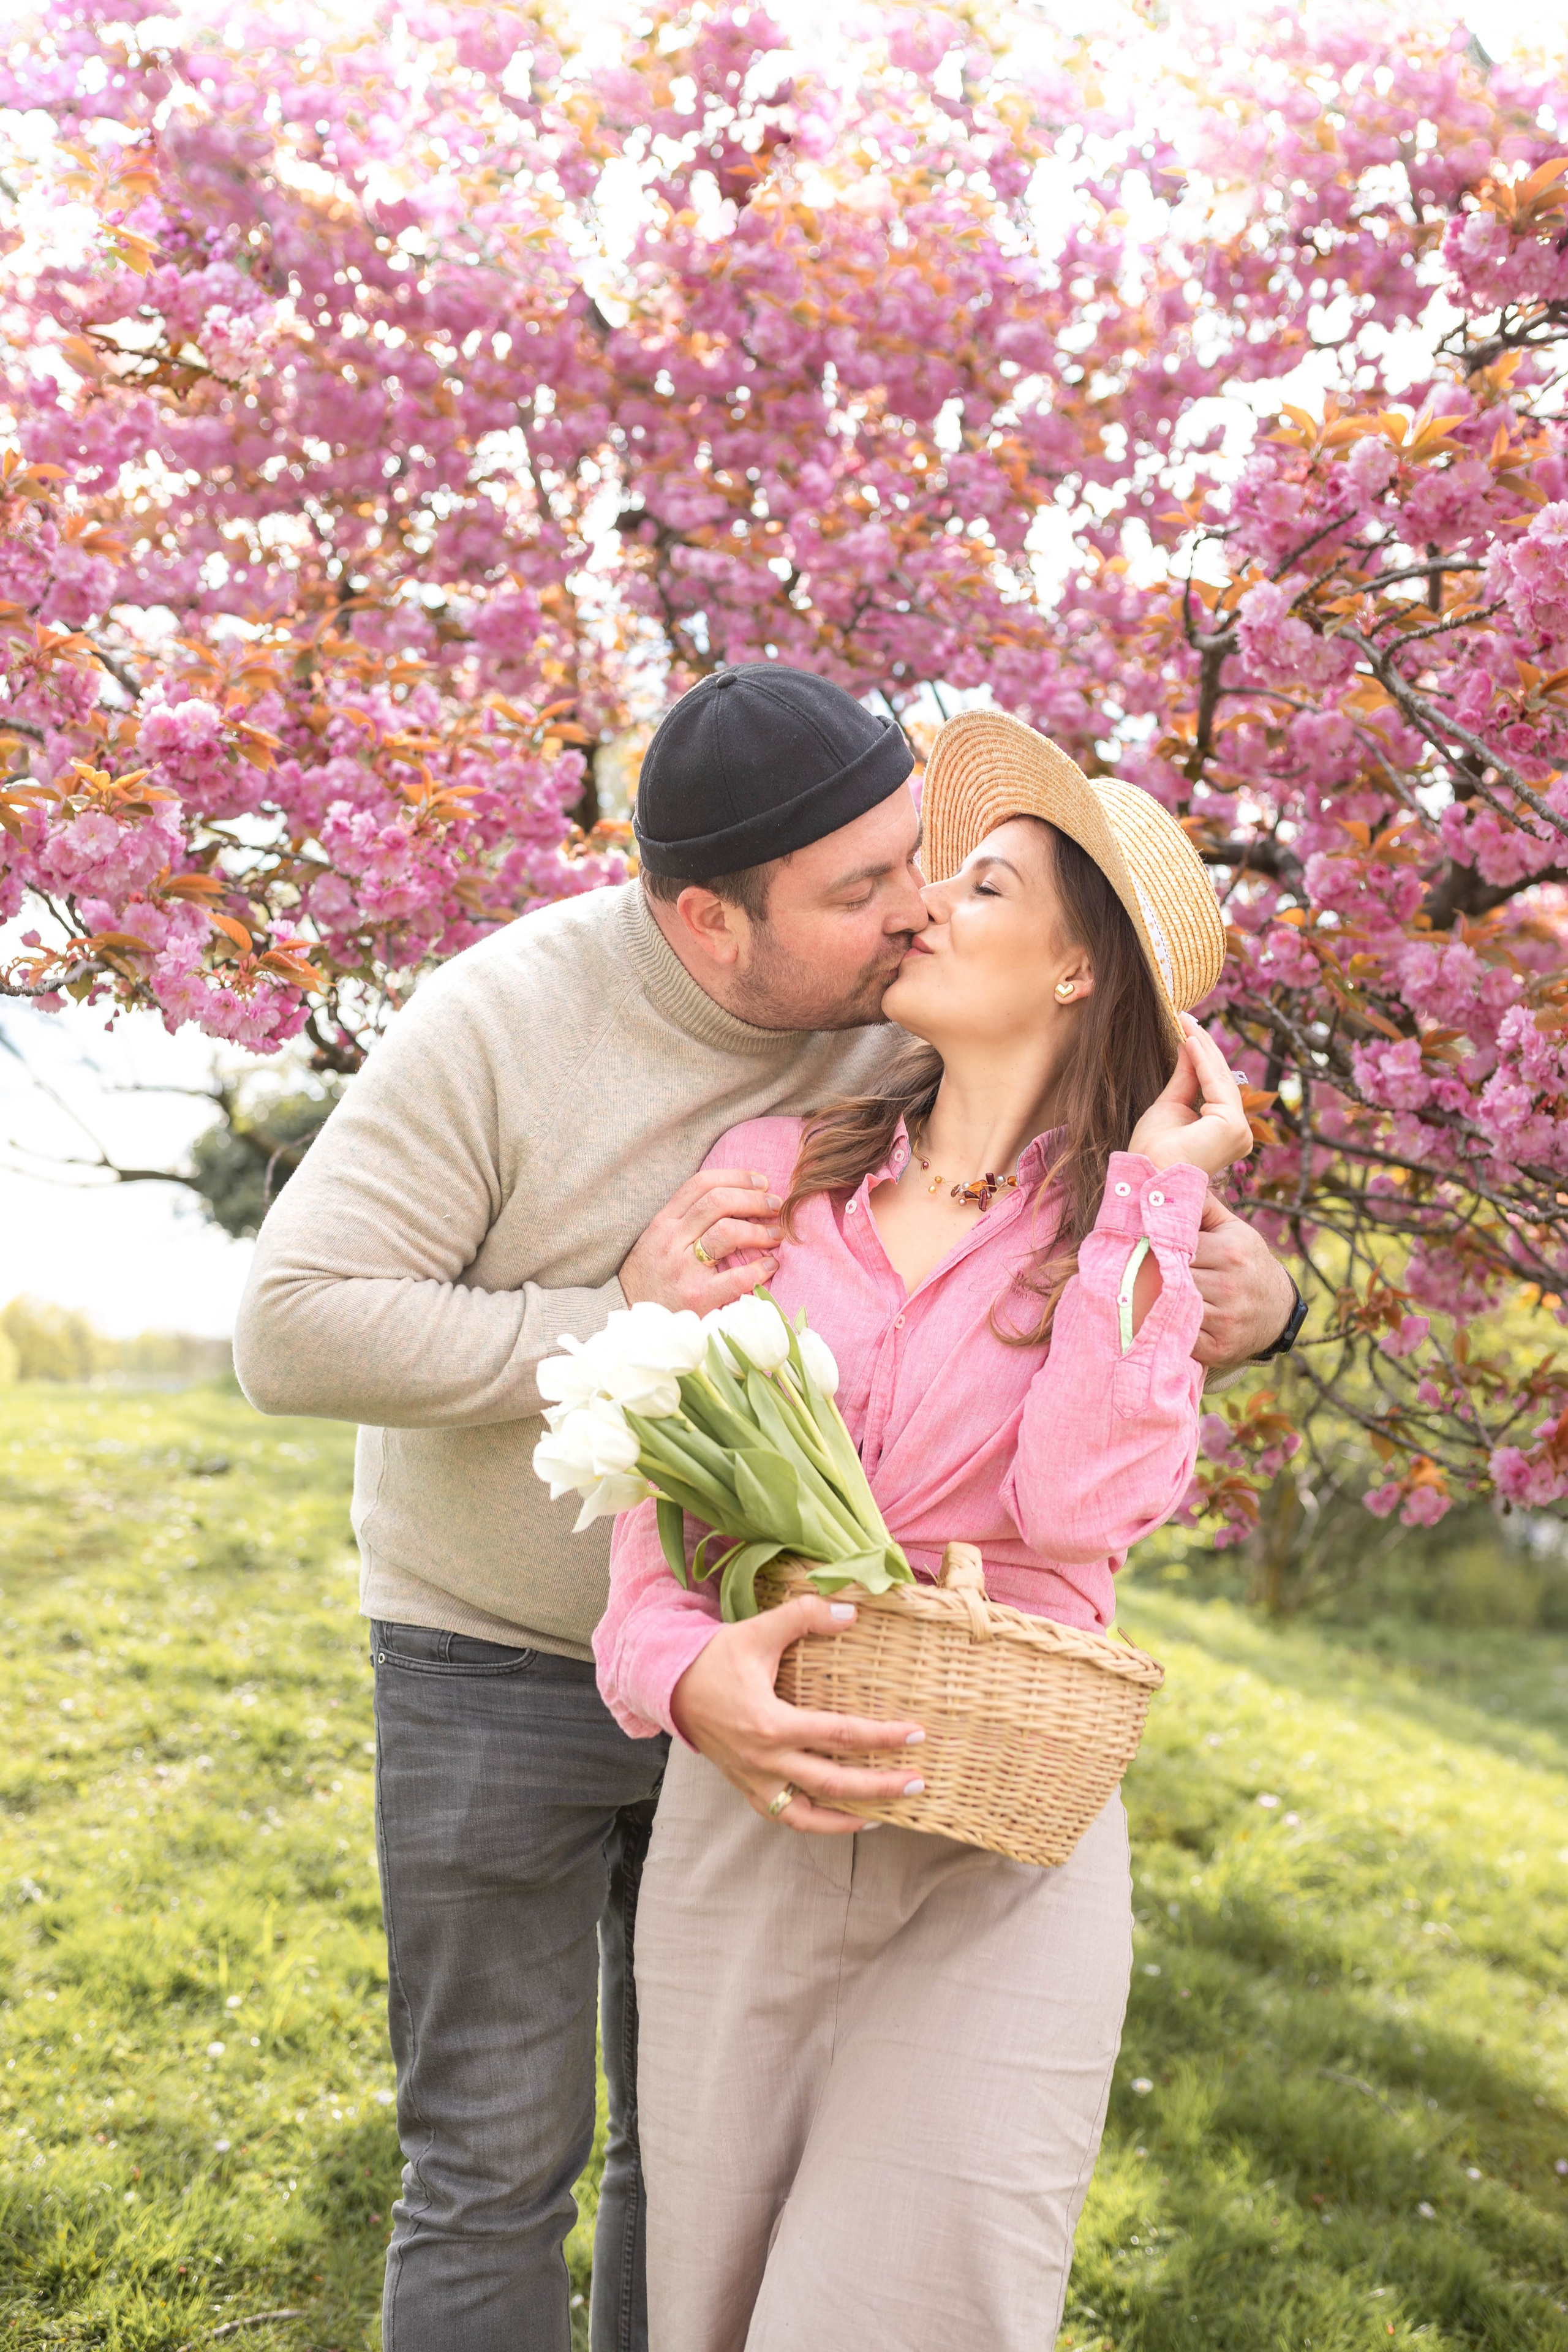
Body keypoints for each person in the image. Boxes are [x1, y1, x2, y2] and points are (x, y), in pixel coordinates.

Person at [233, 671, 1299, 2352]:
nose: (913, 909)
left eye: (931, 865)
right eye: (868, 888)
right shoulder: (544, 1038)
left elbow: (1097, 1391)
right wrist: (623, 1336)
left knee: (705, 2197)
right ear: (714, 924)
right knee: (494, 2164)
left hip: (876, 1730)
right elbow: (297, 1333)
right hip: (498, 1654)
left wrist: (1236, 1274)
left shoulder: (931, 1057)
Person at [594, 708, 1259, 2351]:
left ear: (1076, 970)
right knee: (711, 2311)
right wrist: (677, 1677)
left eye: (982, 887)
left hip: (998, 1855)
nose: (923, 907)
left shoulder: (1130, 1238)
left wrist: (1152, 1202)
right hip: (752, 1821)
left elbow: (1081, 1513)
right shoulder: (776, 1174)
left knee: (906, 2311)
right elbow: (663, 1491)